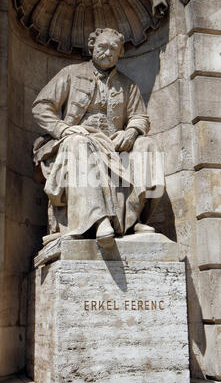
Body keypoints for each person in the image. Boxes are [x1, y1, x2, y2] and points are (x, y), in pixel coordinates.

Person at [32, 28, 165, 246]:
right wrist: (64, 129)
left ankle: (132, 220)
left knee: (147, 145)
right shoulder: (71, 73)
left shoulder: (127, 85)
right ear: (92, 47)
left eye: (114, 48)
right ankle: (98, 220)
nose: (108, 52)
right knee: (79, 143)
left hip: (113, 144)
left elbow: (139, 116)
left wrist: (131, 132)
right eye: (103, 46)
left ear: (120, 52)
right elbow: (41, 107)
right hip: (76, 138)